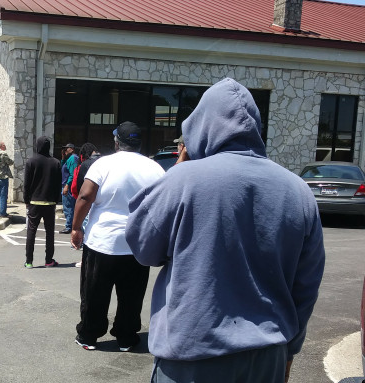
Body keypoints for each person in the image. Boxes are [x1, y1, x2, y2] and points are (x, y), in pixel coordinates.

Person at [125, 78, 325, 382]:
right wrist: (289, 350)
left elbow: (143, 247)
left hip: (193, 357)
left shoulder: (184, 180)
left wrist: (179, 170)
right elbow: (306, 285)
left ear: (201, 126)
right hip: (267, 355)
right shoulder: (298, 191)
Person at [71, 121, 165, 352]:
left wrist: (76, 228)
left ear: (116, 142)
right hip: (136, 244)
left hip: (102, 242)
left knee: (94, 293)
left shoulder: (103, 164)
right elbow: (162, 204)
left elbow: (85, 196)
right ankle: (126, 337)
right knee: (131, 295)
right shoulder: (154, 168)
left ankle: (89, 336)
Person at [23, 136, 62, 269]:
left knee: (31, 231)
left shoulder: (31, 161)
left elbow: (27, 184)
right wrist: (56, 200)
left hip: (34, 201)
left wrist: (26, 201)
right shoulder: (56, 162)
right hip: (50, 202)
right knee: (50, 232)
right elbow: (58, 185)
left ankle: (29, 261)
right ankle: (49, 260)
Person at [70, 142, 101, 267]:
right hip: (103, 204)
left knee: (87, 231)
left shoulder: (85, 165)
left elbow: (79, 190)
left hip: (89, 204)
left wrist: (75, 227)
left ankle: (86, 260)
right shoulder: (106, 163)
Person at [60, 143, 80, 234]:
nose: (65, 150)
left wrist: (67, 185)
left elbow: (73, 174)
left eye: (66, 148)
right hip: (65, 185)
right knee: (68, 207)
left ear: (71, 149)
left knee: (68, 207)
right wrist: (63, 158)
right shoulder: (68, 159)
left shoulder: (73, 158)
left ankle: (69, 226)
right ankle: (69, 225)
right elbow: (62, 168)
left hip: (68, 186)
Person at [0, 141, 14, 218]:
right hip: (3, 176)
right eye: (3, 145)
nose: (5, 146)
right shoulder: (3, 154)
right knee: (3, 195)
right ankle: (3, 213)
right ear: (0, 146)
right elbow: (10, 162)